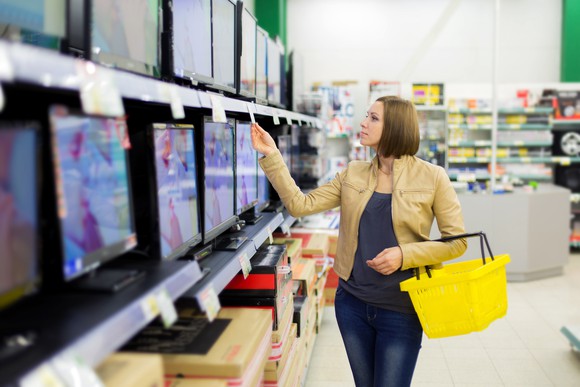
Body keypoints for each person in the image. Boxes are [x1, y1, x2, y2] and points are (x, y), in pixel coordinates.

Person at [251, 95, 467, 387]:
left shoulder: (433, 178)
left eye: (373, 118)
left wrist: (405, 255)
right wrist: (272, 156)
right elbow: (300, 204)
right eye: (366, 116)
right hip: (352, 305)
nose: (363, 123)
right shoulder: (353, 173)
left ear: (395, 127)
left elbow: (457, 242)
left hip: (401, 309)